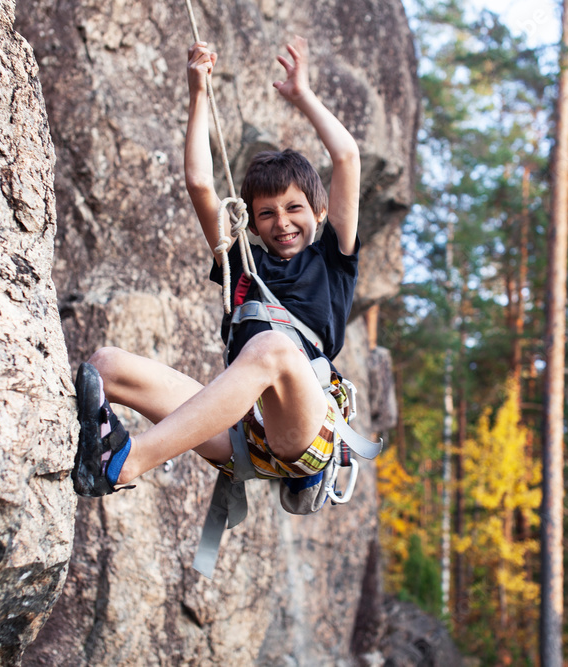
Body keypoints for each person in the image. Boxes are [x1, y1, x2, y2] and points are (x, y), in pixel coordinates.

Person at [72, 35, 361, 497]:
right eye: (266, 214)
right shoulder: (243, 267)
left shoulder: (333, 260)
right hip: (240, 435)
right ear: (252, 222)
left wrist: (303, 96)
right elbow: (199, 184)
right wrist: (197, 93)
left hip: (301, 432)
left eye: (294, 209)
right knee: (103, 366)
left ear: (319, 213)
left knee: (274, 349)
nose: (282, 223)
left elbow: (347, 157)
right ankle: (100, 451)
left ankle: (125, 464)